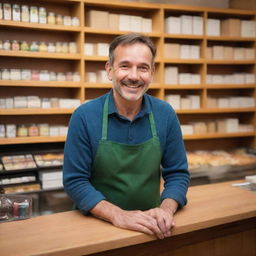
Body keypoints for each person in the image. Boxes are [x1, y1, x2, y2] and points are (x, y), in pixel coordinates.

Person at [63, 33, 190, 240]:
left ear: (152, 72)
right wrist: (118, 215)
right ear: (109, 70)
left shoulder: (165, 114)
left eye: (143, 67)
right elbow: (75, 181)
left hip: (151, 226)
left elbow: (178, 174)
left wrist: (166, 210)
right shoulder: (84, 116)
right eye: (125, 66)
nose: (134, 76)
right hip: (96, 229)